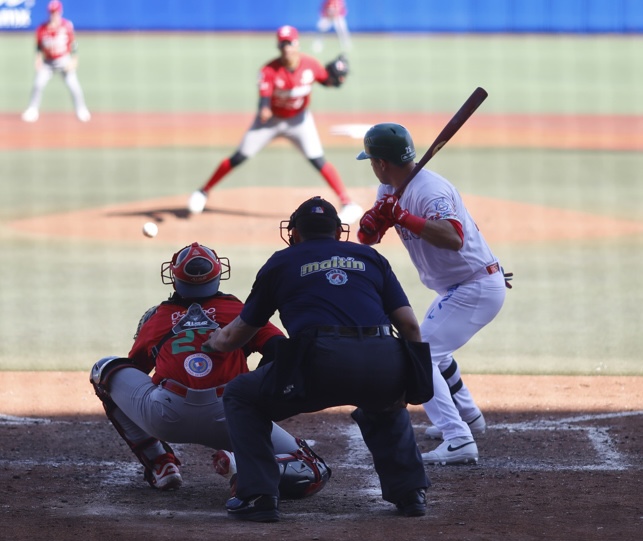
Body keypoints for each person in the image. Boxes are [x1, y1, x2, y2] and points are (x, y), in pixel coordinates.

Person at [205, 196, 432, 522]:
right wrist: (411, 377)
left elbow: (238, 334)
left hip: (321, 362)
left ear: (295, 233)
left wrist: (214, 342)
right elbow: (409, 325)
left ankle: (259, 495)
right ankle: (410, 493)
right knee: (385, 402)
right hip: (383, 358)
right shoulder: (370, 257)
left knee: (241, 394)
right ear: (338, 232)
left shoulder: (281, 262)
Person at [89, 242, 330, 499]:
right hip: (232, 417)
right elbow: (279, 349)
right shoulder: (238, 310)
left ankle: (160, 464)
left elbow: (136, 371)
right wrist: (257, 395)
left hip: (166, 415)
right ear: (218, 274)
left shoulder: (157, 317)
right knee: (312, 470)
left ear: (174, 279)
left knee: (104, 370)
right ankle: (240, 464)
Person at [355, 122, 512, 464]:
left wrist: (402, 216)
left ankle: (459, 439)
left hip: (475, 285)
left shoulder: (430, 190)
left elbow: (453, 237)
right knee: (431, 348)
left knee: (420, 354)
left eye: (371, 161)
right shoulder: (389, 189)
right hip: (459, 286)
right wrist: (374, 222)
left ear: (381, 162)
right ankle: (468, 417)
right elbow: (368, 238)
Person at [187, 25, 363, 225]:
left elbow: (328, 81)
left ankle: (348, 204)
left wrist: (337, 76)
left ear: (297, 44)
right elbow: (264, 100)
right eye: (283, 44)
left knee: (318, 160)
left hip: (299, 121)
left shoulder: (310, 65)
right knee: (238, 157)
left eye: (289, 43)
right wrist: (264, 109)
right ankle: (202, 192)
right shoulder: (268, 71)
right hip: (270, 122)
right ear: (278, 46)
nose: (286, 48)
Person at [21, 1, 90, 123]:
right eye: (52, 12)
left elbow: (73, 44)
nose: (54, 14)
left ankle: (81, 110)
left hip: (64, 60)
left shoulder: (67, 26)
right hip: (47, 62)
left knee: (74, 86)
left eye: (56, 12)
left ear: (60, 12)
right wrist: (38, 59)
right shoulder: (42, 28)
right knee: (38, 84)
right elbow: (38, 46)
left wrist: (74, 60)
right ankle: (32, 110)